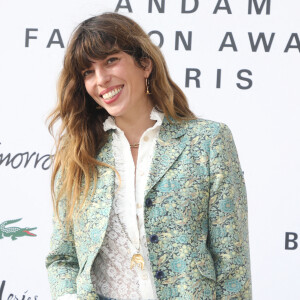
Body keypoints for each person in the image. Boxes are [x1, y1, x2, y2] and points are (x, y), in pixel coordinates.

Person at [45, 12, 252, 300]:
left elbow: (233, 266)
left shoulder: (208, 142)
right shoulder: (78, 152)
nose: (101, 79)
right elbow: (62, 258)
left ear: (145, 64)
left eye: (110, 60)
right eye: (87, 72)